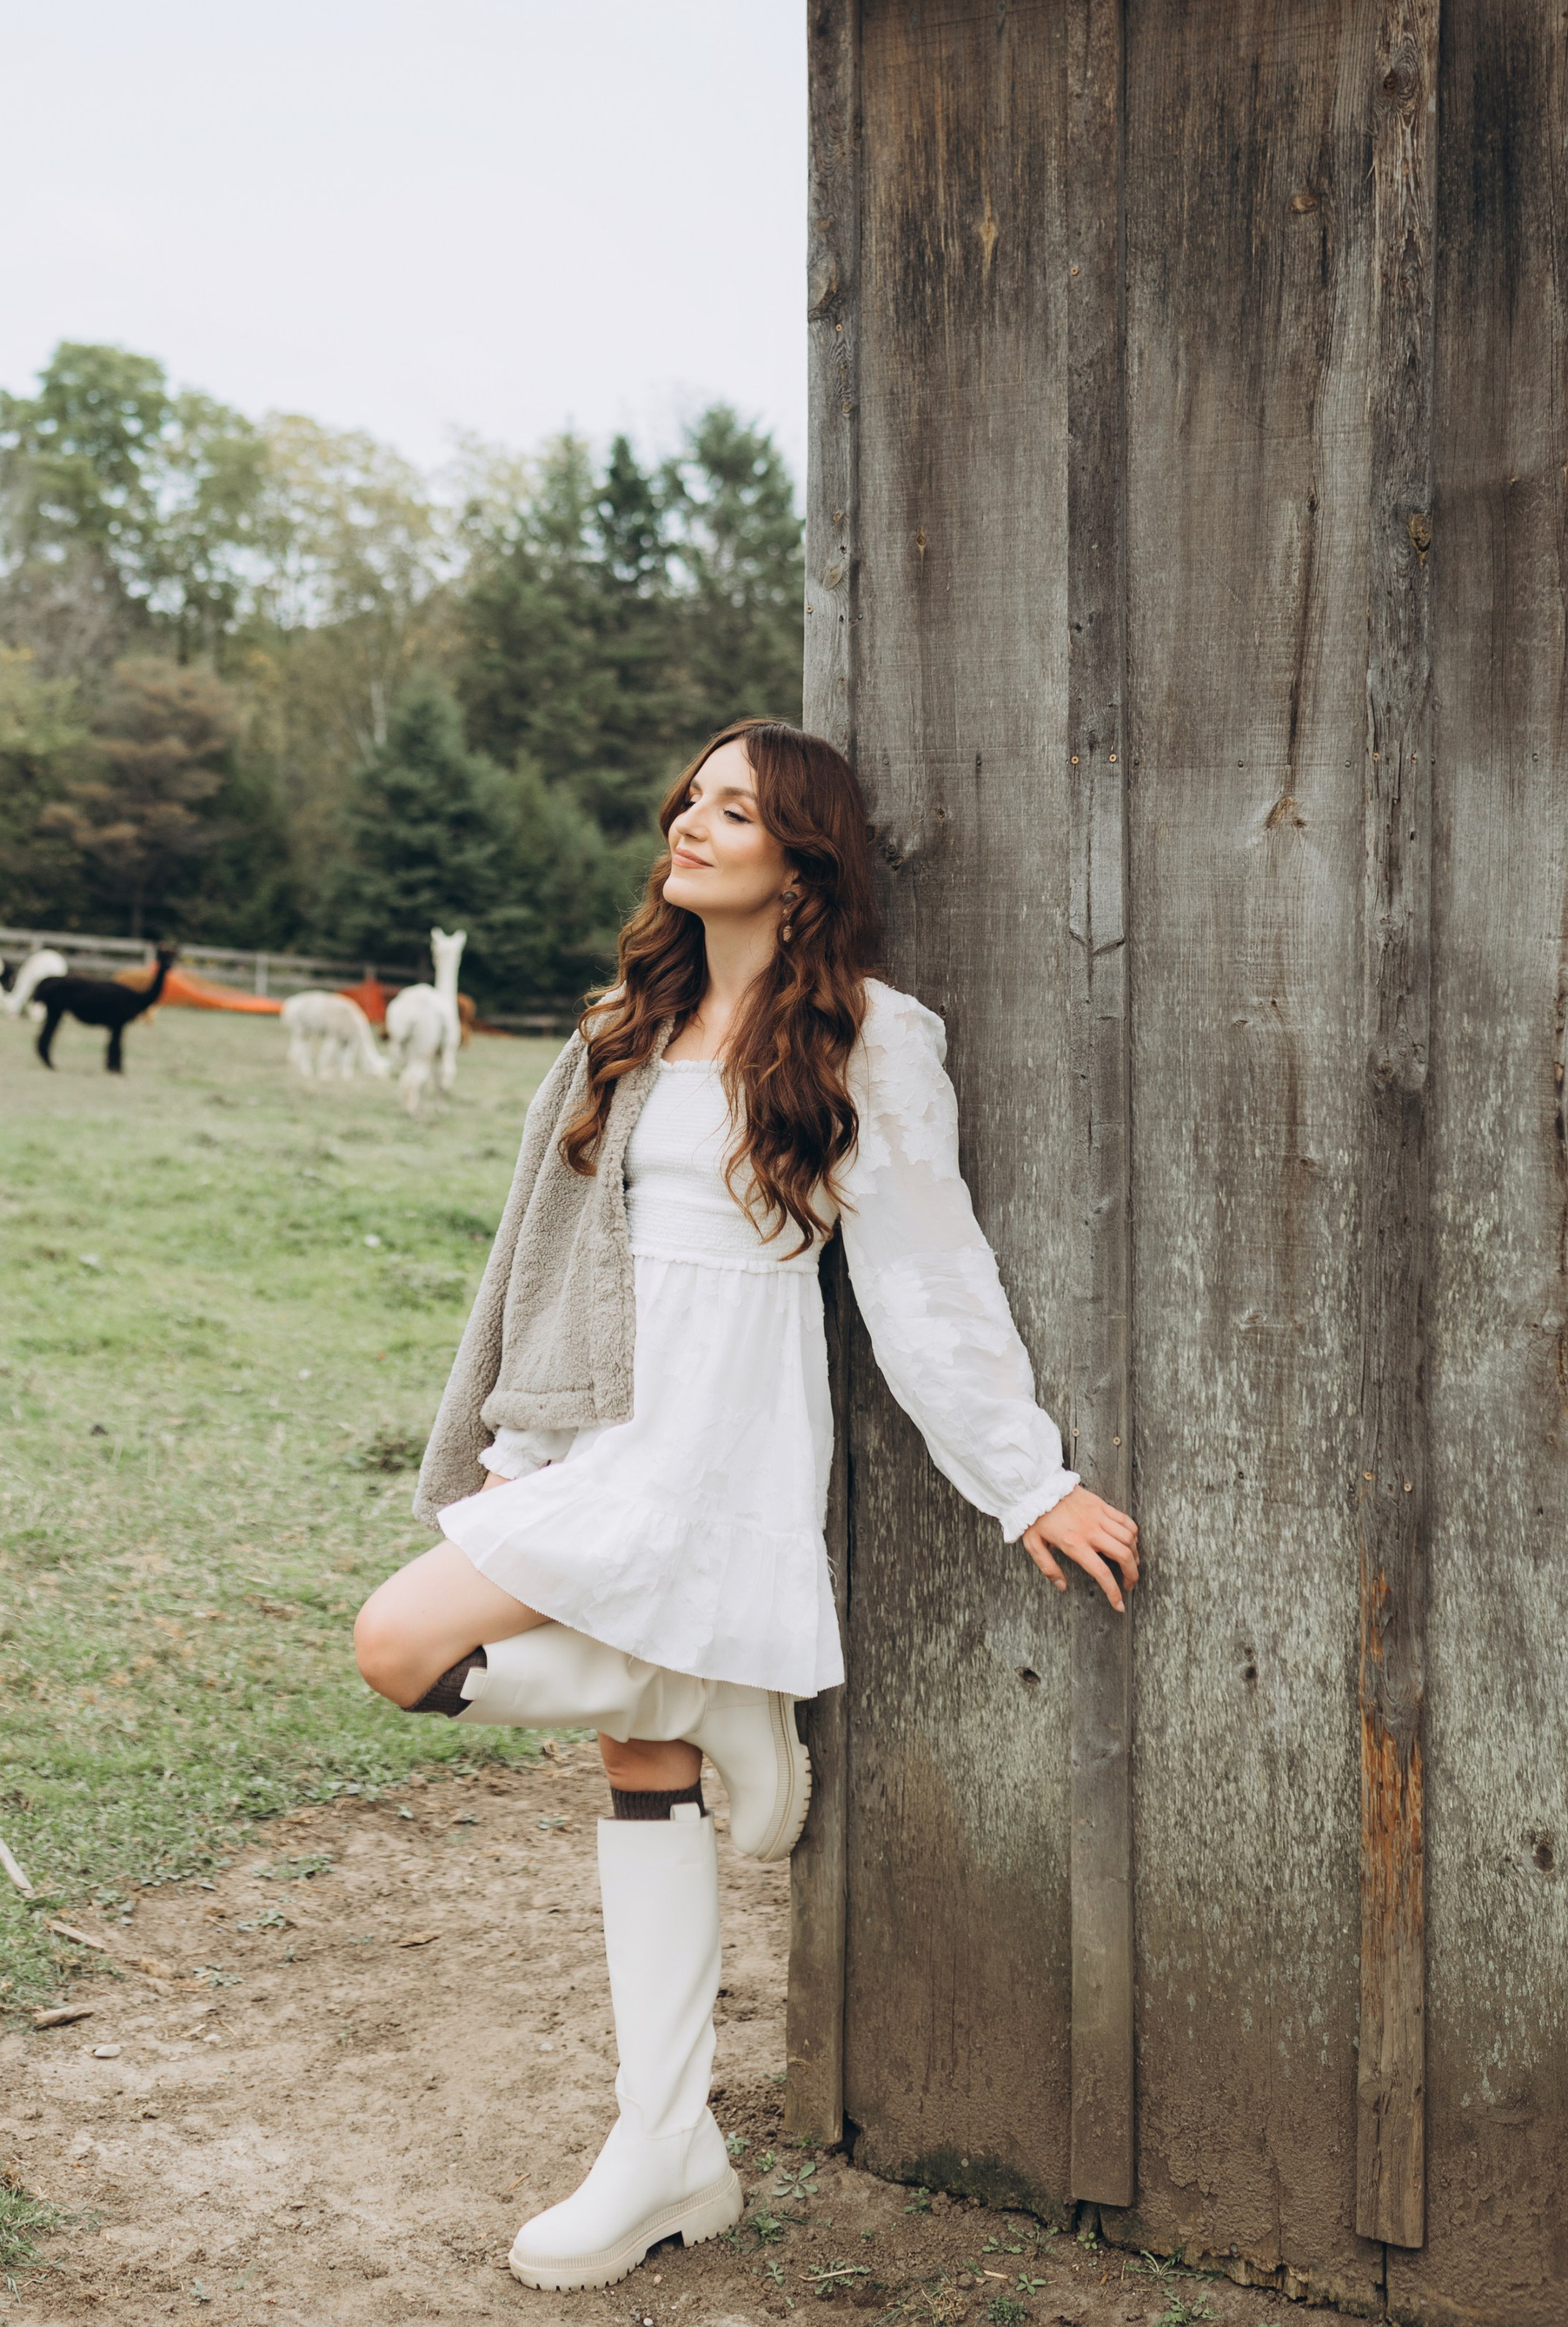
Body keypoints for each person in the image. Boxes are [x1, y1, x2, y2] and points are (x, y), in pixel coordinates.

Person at [352, 719, 1139, 2295]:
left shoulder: (863, 1031)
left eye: (737, 808)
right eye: (691, 800)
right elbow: (558, 1268)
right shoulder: (629, 1023)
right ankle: (673, 2138)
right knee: (536, 1712)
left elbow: (926, 1276)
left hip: (721, 1433)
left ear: (804, 856)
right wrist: (526, 1448)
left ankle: (666, 2111)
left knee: (405, 1642)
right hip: (606, 1421)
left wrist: (1028, 1477)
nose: (692, 824)